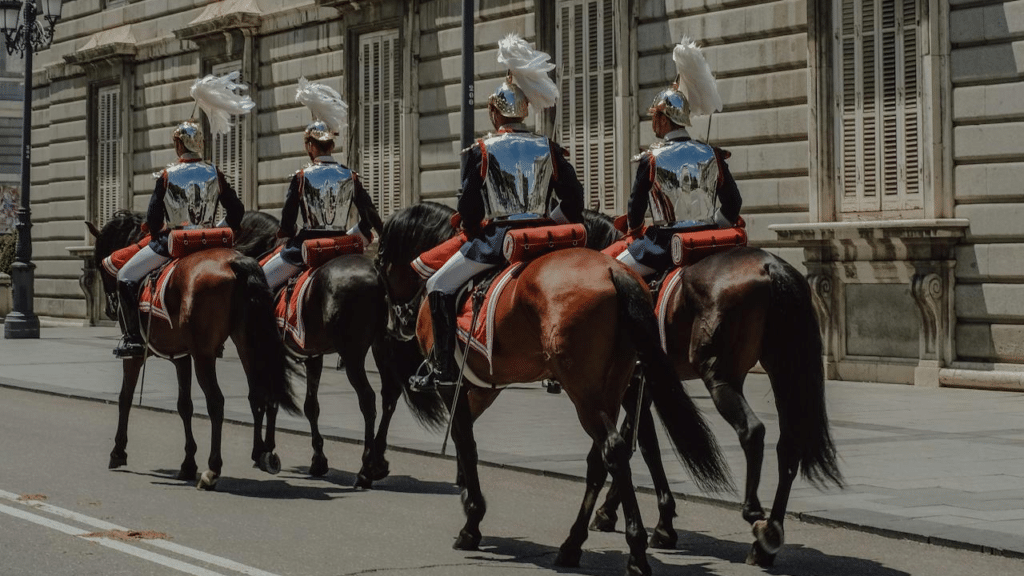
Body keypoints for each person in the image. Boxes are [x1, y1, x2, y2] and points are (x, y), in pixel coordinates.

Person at [409, 33, 585, 392]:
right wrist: (548, 222)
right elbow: (575, 199)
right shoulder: (548, 148)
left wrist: (474, 228)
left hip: (497, 240)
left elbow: (468, 207)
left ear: (494, 112)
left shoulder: (483, 150)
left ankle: (441, 367)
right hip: (544, 240)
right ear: (523, 110)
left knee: (437, 284)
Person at [113, 73, 253, 358]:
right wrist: (219, 229)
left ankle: (132, 340)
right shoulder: (215, 172)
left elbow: (153, 220)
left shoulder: (167, 175)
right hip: (213, 242)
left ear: (179, 146)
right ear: (199, 144)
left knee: (125, 277)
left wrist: (161, 233)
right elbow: (237, 211)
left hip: (174, 243)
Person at [603, 37, 741, 279]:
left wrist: (634, 230)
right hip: (707, 243)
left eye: (655, 116)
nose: (653, 123)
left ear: (665, 119)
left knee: (613, 275)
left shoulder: (652, 158)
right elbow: (733, 202)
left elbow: (636, 208)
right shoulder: (713, 155)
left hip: (663, 247)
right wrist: (711, 228)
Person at [261, 78, 383, 292]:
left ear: (310, 146)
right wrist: (357, 234)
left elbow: (288, 221)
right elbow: (370, 214)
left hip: (305, 249)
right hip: (341, 246)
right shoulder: (350, 176)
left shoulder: (301, 177)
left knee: (260, 283)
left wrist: (286, 232)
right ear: (331, 145)